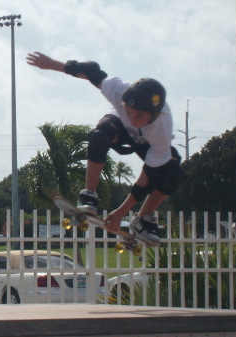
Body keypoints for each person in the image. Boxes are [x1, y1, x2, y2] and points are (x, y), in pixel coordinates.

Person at [26, 51, 185, 246]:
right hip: (119, 127)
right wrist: (51, 64)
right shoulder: (118, 91)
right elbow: (88, 70)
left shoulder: (162, 130)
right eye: (130, 112)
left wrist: (120, 213)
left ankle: (143, 218)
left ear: (155, 115)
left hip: (147, 142)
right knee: (100, 135)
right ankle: (89, 194)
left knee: (173, 175)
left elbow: (147, 177)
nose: (134, 120)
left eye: (140, 117)